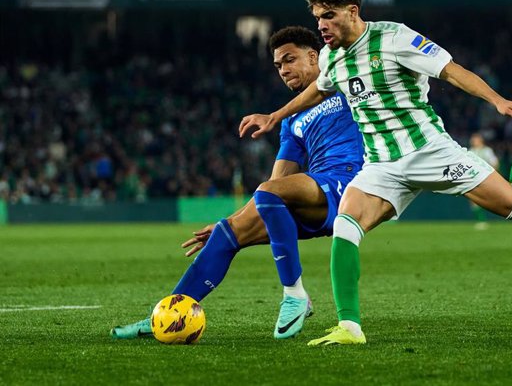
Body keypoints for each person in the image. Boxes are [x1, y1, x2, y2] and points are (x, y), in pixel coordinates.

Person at [239, 0, 512, 346]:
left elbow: (451, 71)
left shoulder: (394, 37)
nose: (322, 24)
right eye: (317, 16)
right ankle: (350, 328)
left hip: (429, 151)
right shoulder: (331, 57)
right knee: (346, 227)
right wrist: (275, 116)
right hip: (381, 165)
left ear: (352, 11)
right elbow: (317, 90)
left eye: (329, 15)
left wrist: (497, 100)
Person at [111, 25, 363, 340]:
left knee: (266, 195)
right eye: (278, 66)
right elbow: (276, 184)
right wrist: (230, 220)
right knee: (227, 233)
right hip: (316, 192)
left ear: (314, 57)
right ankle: (165, 316)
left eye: (289, 59)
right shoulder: (291, 121)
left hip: (349, 185)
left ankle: (295, 294)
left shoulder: (343, 82)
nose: (283, 70)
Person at [468, 133, 500, 230]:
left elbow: (495, 162)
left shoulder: (487, 151)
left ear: (480, 140)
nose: (473, 141)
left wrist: (493, 175)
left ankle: (484, 220)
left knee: (487, 199)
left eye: (475, 139)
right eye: (472, 139)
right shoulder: (470, 151)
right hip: (474, 178)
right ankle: (481, 221)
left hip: (486, 177)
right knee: (473, 200)